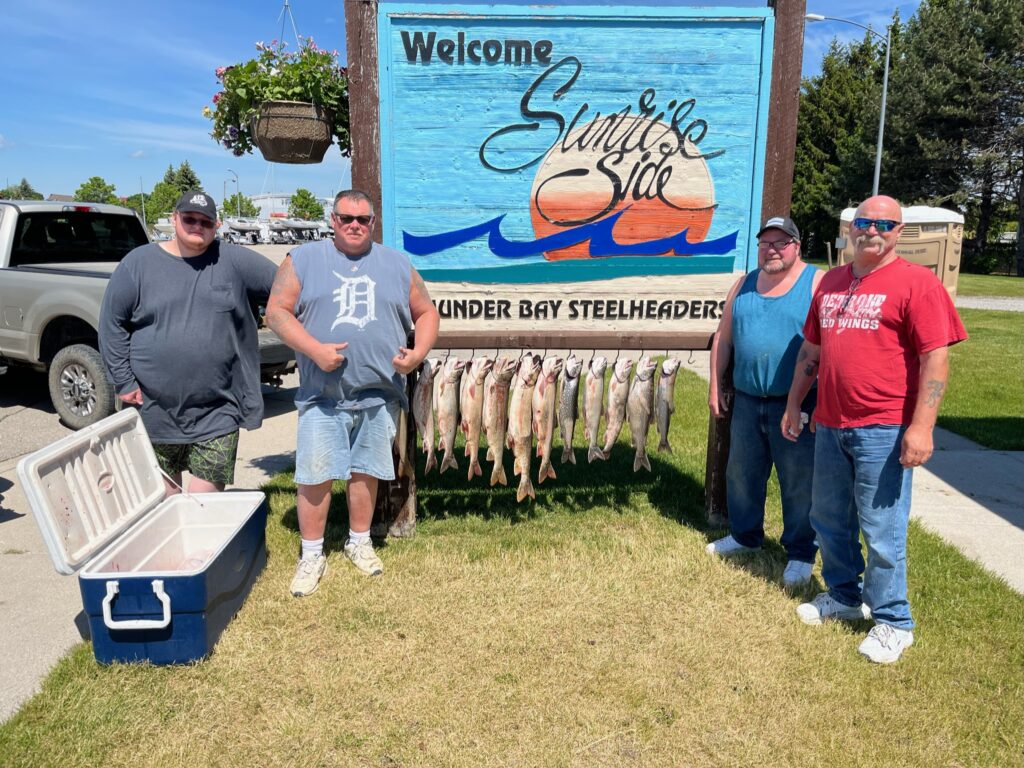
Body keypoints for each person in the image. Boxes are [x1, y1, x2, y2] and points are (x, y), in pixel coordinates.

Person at [782, 195, 967, 663]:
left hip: (883, 428)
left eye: (885, 223)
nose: (872, 230)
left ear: (898, 232)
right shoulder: (832, 284)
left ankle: (893, 621)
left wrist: (921, 427)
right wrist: (793, 405)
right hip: (829, 422)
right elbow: (812, 351)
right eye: (864, 221)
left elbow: (935, 358)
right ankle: (844, 596)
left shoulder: (917, 283)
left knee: (882, 527)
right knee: (828, 519)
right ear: (850, 228)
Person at [265, 189, 439, 595]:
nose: (355, 225)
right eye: (347, 218)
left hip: (380, 393)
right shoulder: (303, 259)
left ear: (374, 223)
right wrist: (314, 350)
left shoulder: (396, 264)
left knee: (366, 472)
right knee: (315, 476)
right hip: (323, 395)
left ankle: (359, 542)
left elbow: (426, 312)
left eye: (363, 219)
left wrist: (416, 355)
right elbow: (276, 311)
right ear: (333, 220)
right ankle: (311, 554)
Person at [100, 191, 278, 495]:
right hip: (154, 408)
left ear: (217, 225)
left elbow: (288, 285)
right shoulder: (138, 264)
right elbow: (111, 324)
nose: (197, 225)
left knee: (203, 508)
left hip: (219, 409)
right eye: (189, 218)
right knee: (165, 503)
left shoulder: (233, 260)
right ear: (174, 218)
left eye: (205, 221)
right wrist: (123, 380)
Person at [707, 216, 823, 587]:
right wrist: (714, 385)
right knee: (741, 474)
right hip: (747, 399)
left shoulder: (816, 282)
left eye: (781, 242)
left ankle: (801, 552)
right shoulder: (742, 285)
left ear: (797, 246)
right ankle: (745, 536)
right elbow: (723, 339)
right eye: (765, 243)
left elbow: (827, 347)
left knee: (798, 481)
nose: (772, 249)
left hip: (797, 403)